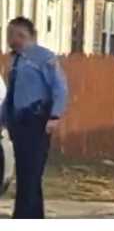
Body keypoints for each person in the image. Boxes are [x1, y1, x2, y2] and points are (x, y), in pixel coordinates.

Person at [0, 17, 68, 219]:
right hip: (18, 124)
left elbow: (60, 88)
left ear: (22, 35)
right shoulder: (15, 61)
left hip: (36, 122)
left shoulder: (44, 58)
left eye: (12, 35)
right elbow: (11, 95)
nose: (9, 39)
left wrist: (55, 116)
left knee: (30, 175)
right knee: (26, 176)